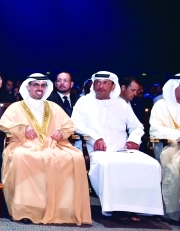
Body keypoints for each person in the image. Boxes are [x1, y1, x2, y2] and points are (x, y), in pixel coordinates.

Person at [0, 73, 92, 225]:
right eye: (36, 85)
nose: (40, 88)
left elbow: (69, 125)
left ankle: (64, 210)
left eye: (43, 85)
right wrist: (23, 128)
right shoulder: (16, 107)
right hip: (24, 145)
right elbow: (5, 123)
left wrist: (62, 132)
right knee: (22, 157)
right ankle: (25, 209)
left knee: (75, 157)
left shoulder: (53, 107)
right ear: (28, 86)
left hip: (53, 145)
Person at [72, 71, 163, 223]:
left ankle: (139, 208)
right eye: (97, 82)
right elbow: (75, 123)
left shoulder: (121, 104)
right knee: (108, 165)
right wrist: (95, 138)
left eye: (105, 83)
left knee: (151, 164)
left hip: (122, 149)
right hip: (96, 150)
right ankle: (116, 208)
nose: (100, 86)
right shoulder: (84, 101)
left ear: (113, 86)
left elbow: (136, 126)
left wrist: (134, 140)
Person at [149, 73, 180, 221]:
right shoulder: (161, 105)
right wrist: (177, 136)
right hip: (169, 147)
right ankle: (174, 211)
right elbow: (155, 129)